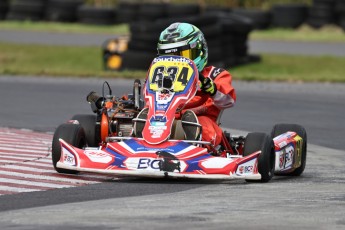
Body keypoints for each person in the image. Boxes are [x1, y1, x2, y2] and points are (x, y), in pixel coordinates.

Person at [135, 22, 236, 147]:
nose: (176, 62)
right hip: (162, 118)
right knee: (137, 116)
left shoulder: (214, 75)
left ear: (199, 50)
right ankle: (140, 136)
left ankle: (193, 141)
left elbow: (228, 101)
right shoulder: (160, 75)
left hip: (199, 117)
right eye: (168, 56)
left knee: (203, 126)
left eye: (182, 56)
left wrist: (213, 90)